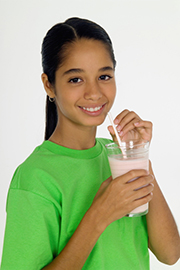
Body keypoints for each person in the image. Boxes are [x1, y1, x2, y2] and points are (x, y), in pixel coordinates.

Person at [1, 17, 180, 270]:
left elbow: (170, 253)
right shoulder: (35, 178)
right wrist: (100, 215)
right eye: (76, 79)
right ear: (48, 85)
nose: (94, 93)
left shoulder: (118, 158)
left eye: (104, 76)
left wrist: (138, 156)